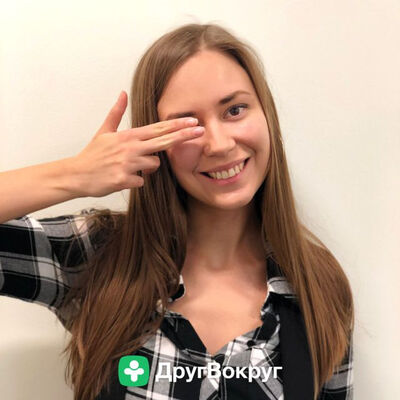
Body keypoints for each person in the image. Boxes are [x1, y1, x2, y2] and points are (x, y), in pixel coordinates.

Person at [0, 23, 354, 400]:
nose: (219, 144)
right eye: (188, 125)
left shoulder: (316, 286)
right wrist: (74, 175)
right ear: (155, 142)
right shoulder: (97, 255)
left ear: (266, 114)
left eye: (235, 110)